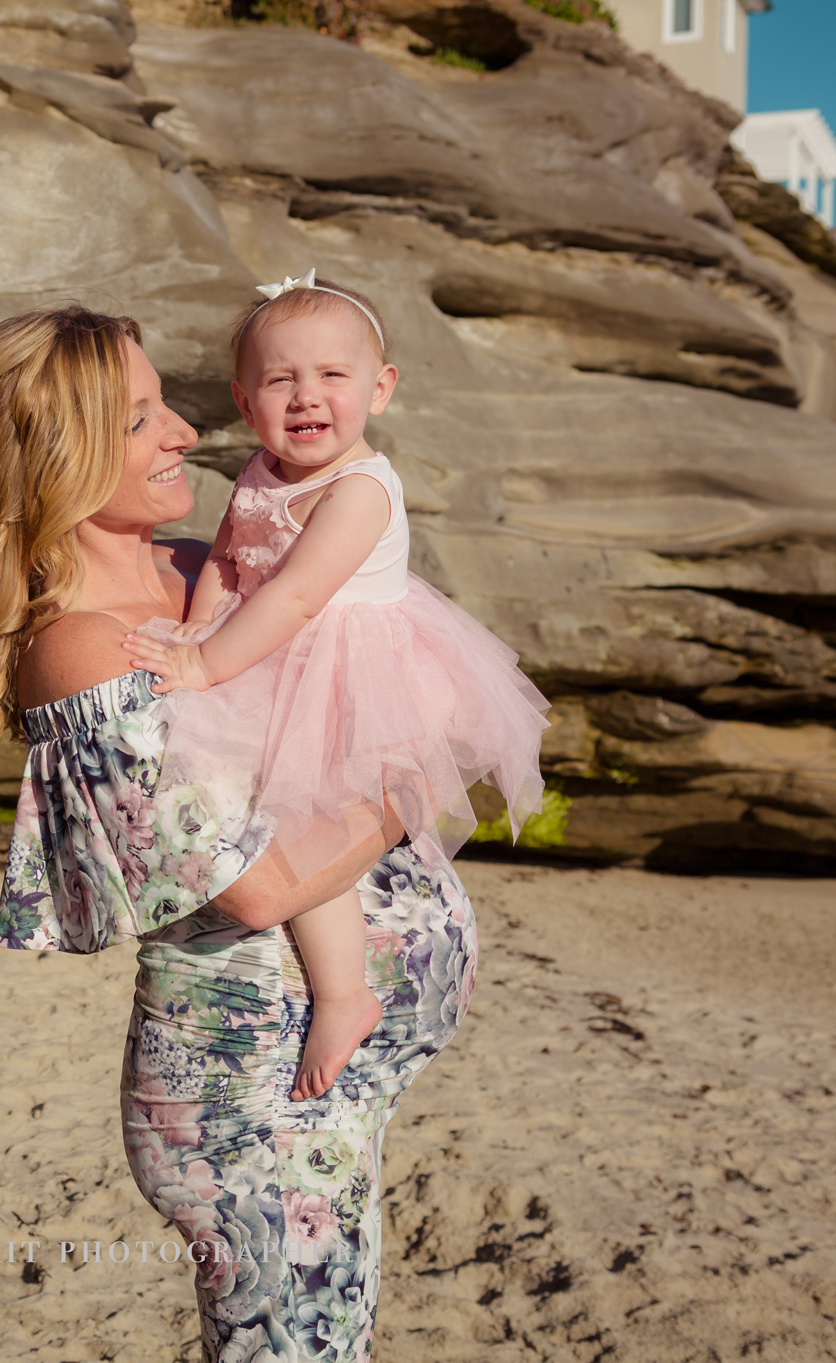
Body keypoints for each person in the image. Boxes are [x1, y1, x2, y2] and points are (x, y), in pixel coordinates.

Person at [0, 304, 480, 1361]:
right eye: (138, 420)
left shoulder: (204, 567)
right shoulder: (80, 651)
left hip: (332, 1087)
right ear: (58, 456)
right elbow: (256, 888)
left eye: (165, 404)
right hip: (248, 1103)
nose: (182, 431)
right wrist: (415, 777)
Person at [121, 271, 549, 1102]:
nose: (306, 396)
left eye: (332, 376)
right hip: (276, 645)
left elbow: (297, 593)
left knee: (312, 827)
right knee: (254, 798)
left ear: (379, 390)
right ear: (247, 404)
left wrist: (207, 664)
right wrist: (198, 626)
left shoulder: (361, 489)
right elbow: (233, 558)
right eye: (281, 380)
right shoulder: (259, 467)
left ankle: (344, 993)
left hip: (354, 667)